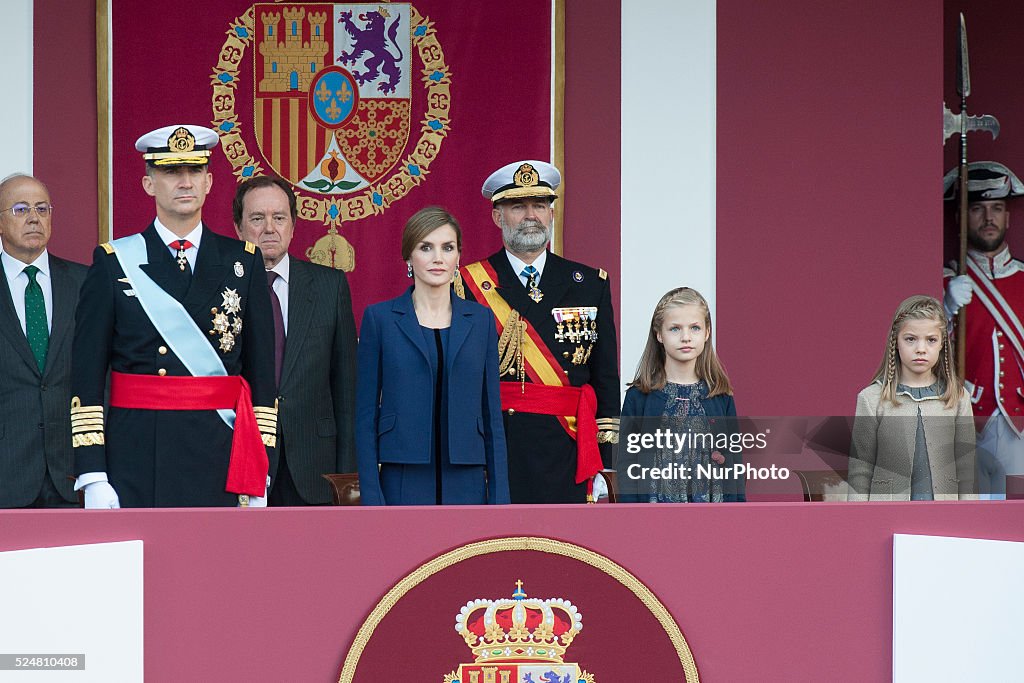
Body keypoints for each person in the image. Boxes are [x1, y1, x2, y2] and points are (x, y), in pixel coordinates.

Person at [71, 124, 277, 508]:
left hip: (221, 453)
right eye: (170, 171)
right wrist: (93, 473)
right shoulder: (113, 263)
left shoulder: (243, 262)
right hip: (137, 456)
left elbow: (263, 379)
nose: (185, 182)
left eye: (194, 170)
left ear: (210, 181)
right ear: (149, 183)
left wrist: (260, 465)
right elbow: (86, 377)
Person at [459, 160, 619, 503]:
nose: (531, 215)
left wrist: (606, 463)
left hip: (569, 447)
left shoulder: (590, 284)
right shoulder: (468, 284)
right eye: (518, 207)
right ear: (497, 217)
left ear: (551, 215)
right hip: (498, 446)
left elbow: (605, 378)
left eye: (540, 206)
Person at [356, 206, 509, 505]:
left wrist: (500, 496)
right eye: (426, 247)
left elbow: (493, 416)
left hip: (467, 477)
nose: (438, 257)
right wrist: (372, 497)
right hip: (402, 476)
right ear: (409, 257)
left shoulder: (481, 321)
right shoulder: (380, 319)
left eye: (447, 248)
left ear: (458, 258)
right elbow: (364, 417)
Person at [233, 175, 357, 505]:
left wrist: (347, 480)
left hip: (314, 468)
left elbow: (346, 391)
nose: (269, 228)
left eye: (279, 217)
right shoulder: (222, 288)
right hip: (241, 461)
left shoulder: (330, 287)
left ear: (293, 226)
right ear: (239, 228)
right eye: (257, 218)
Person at [0, 174, 87, 508]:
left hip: (73, 474)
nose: (34, 218)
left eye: (42, 208)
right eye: (21, 209)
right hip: (7, 473)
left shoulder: (85, 283)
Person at [942, 161, 1024, 498]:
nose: (988, 218)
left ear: (1007, 217)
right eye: (977, 208)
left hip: (1019, 425)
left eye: (996, 209)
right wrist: (945, 307)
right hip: (965, 424)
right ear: (961, 218)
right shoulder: (947, 281)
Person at [620, 287, 744, 503]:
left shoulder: (721, 396)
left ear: (706, 333)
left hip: (713, 514)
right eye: (675, 329)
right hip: (653, 515)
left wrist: (738, 515)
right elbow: (627, 465)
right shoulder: (639, 397)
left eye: (695, 328)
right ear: (659, 334)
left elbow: (734, 464)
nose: (686, 337)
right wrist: (630, 516)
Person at [848, 296, 975, 501]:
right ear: (895, 342)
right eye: (910, 339)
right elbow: (860, 472)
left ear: (942, 344)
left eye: (931, 340)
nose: (921, 349)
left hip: (945, 518)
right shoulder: (871, 399)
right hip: (886, 518)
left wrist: (970, 520)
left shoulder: (958, 398)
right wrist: (861, 524)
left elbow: (967, 470)